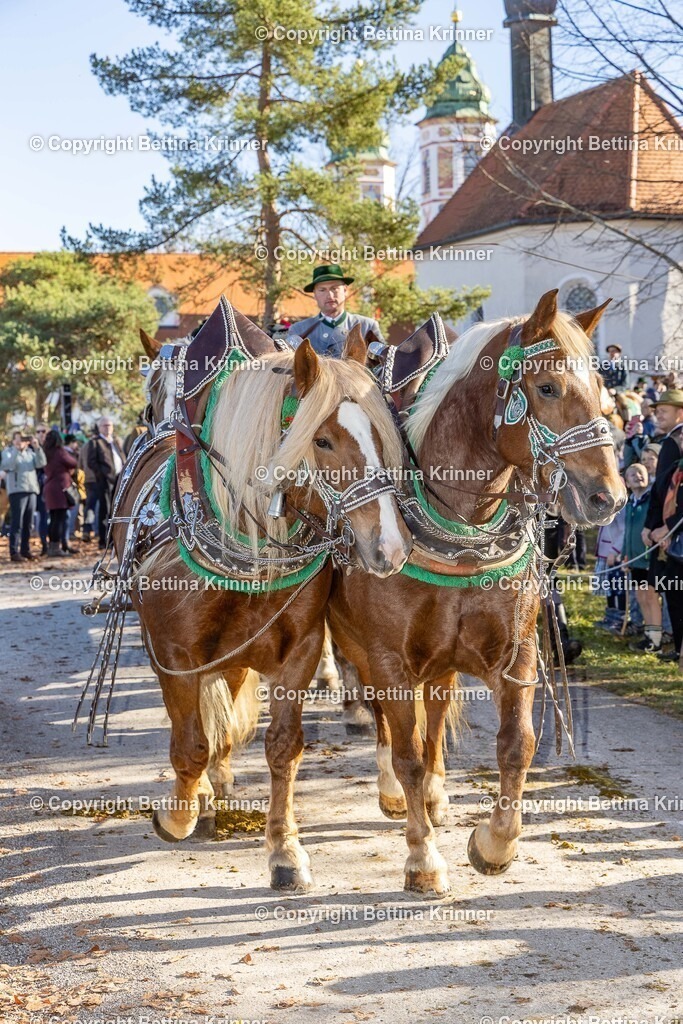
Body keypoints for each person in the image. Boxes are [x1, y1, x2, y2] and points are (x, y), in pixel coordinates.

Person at [642, 389, 683, 662]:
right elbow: (660, 489)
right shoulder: (669, 439)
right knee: (672, 591)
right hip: (666, 531)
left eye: (663, 411)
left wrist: (667, 528)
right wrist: (651, 526)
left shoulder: (678, 440)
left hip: (675, 533)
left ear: (680, 412)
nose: (657, 415)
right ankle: (678, 648)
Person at [287, 264, 385, 360]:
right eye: (322, 290)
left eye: (334, 288)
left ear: (345, 290)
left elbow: (382, 364)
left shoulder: (367, 326)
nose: (329, 295)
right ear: (315, 294)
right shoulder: (298, 330)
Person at [623, 463, 662, 653]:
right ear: (627, 482)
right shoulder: (630, 502)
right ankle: (649, 633)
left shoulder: (651, 501)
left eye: (641, 472)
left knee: (651, 596)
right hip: (635, 558)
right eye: (632, 474)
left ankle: (656, 639)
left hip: (649, 556)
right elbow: (627, 532)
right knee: (641, 596)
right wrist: (625, 554)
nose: (637, 476)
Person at [0, 431, 46, 562]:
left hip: (31, 490)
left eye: (23, 439)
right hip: (16, 491)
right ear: (13, 440)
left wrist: (37, 447)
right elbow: (8, 465)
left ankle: (25, 550)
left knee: (28, 523)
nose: (20, 442)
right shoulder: (8, 452)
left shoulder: (31, 453)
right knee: (17, 522)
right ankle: (14, 552)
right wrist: (17, 450)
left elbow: (41, 463)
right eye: (18, 439)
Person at [87, 417, 125, 549]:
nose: (107, 428)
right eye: (104, 425)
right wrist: (102, 475)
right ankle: (104, 541)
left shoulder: (115, 442)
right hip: (104, 482)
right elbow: (91, 462)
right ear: (99, 427)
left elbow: (122, 458)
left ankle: (114, 539)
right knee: (105, 511)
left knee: (116, 510)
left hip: (119, 480)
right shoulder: (95, 443)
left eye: (109, 425)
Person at [42, 429, 78, 558]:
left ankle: (52, 547)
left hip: (50, 488)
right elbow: (72, 462)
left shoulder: (46, 452)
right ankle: (56, 548)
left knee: (53, 519)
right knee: (59, 519)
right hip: (60, 489)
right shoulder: (59, 451)